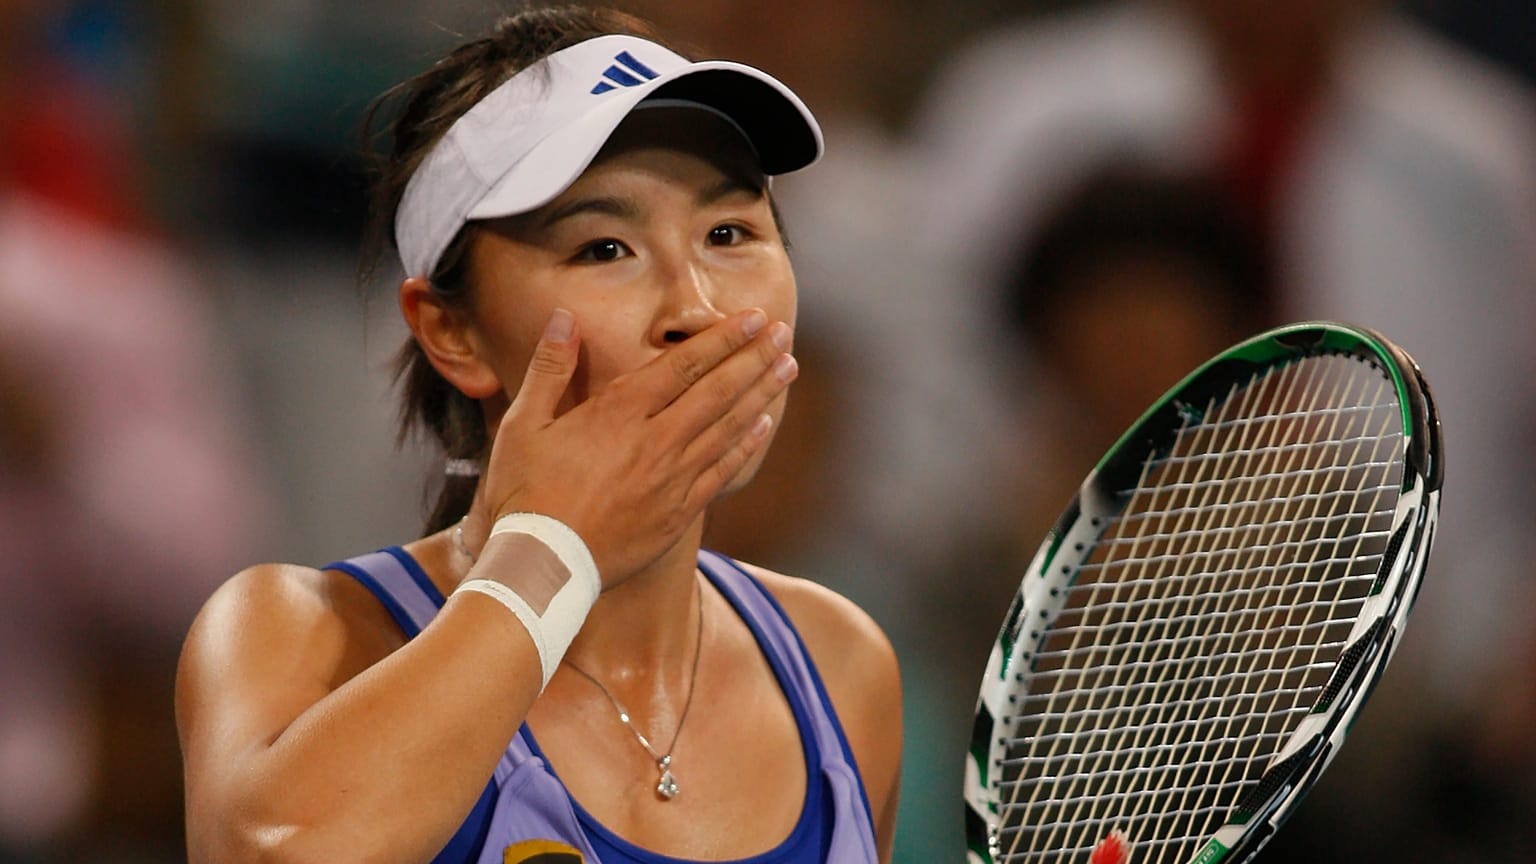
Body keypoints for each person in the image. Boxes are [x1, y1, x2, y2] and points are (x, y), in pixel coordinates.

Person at [173, 7, 902, 864]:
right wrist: (556, 548)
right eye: (603, 249)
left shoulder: (840, 663)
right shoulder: (298, 632)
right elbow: (274, 851)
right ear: (451, 331)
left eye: (729, 233)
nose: (697, 310)